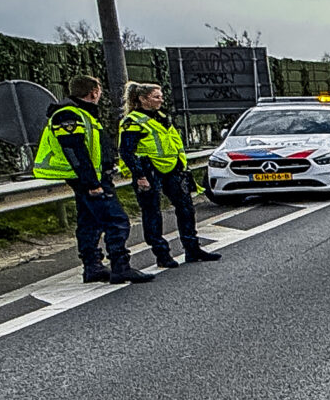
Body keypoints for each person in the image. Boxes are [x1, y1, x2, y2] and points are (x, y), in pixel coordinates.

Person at [33, 72, 147, 285]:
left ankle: (93, 267)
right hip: (88, 179)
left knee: (90, 221)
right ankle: (120, 267)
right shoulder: (68, 115)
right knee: (116, 220)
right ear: (94, 92)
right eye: (99, 91)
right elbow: (75, 151)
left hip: (91, 177)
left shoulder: (83, 114)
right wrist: (92, 183)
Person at [119, 82, 219, 269]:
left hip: (173, 168)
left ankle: (192, 249)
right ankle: (162, 254)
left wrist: (182, 166)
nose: (161, 99)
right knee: (152, 213)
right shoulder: (133, 122)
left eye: (161, 96)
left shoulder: (163, 118)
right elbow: (126, 152)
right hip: (148, 170)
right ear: (143, 99)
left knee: (186, 208)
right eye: (156, 96)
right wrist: (139, 175)